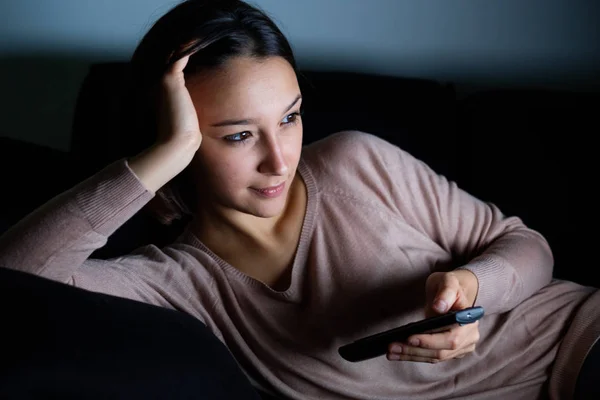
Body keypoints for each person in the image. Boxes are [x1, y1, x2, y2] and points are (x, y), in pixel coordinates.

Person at [0, 0, 598, 399]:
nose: (280, 159)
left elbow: (526, 244)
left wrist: (472, 289)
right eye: (237, 135)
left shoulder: (353, 161)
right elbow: (17, 279)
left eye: (289, 119)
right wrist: (166, 152)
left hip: (580, 338)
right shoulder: (174, 285)